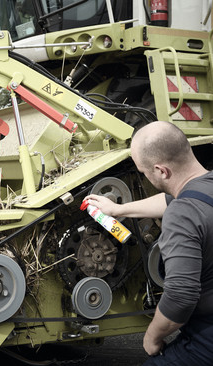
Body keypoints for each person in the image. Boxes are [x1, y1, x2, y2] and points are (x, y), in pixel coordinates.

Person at [83, 121, 213, 366]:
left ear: (162, 171)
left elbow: (181, 297)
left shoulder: (182, 215)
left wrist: (152, 337)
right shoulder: (204, 187)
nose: (145, 176)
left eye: (144, 172)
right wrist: (118, 209)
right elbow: (171, 199)